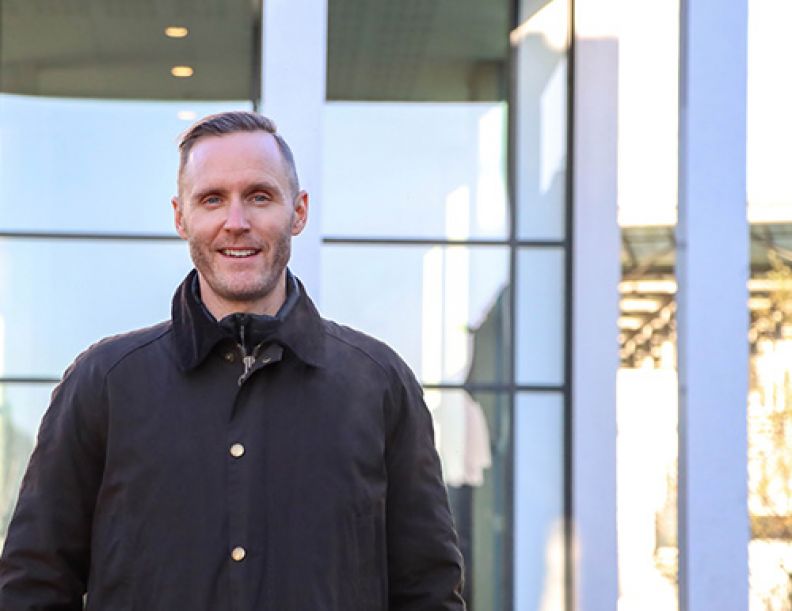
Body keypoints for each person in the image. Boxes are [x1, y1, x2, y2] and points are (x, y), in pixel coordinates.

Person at [0, 111, 465, 610]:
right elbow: (34, 586)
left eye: (259, 197)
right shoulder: (104, 384)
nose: (236, 222)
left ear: (299, 211)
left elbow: (428, 592)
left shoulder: (379, 384)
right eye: (212, 199)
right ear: (181, 217)